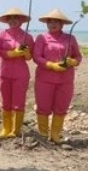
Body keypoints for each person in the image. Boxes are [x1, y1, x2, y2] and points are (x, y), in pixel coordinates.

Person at [33, 9, 82, 143]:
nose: (52, 24)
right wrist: (50, 65)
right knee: (43, 106)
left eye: (56, 22)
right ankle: (43, 135)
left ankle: (55, 135)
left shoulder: (70, 38)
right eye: (50, 21)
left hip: (65, 79)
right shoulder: (41, 38)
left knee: (61, 107)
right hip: (44, 78)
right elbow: (36, 57)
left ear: (62, 24)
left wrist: (74, 61)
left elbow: (78, 55)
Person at [0, 8, 36, 138]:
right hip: (4, 71)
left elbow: (30, 58)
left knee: (19, 102)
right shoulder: (1, 34)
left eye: (16, 18)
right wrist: (11, 53)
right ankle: (6, 129)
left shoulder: (27, 37)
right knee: (5, 101)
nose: (13, 21)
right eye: (10, 18)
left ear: (21, 21)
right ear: (7, 21)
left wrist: (26, 52)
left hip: (21, 74)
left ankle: (15, 130)